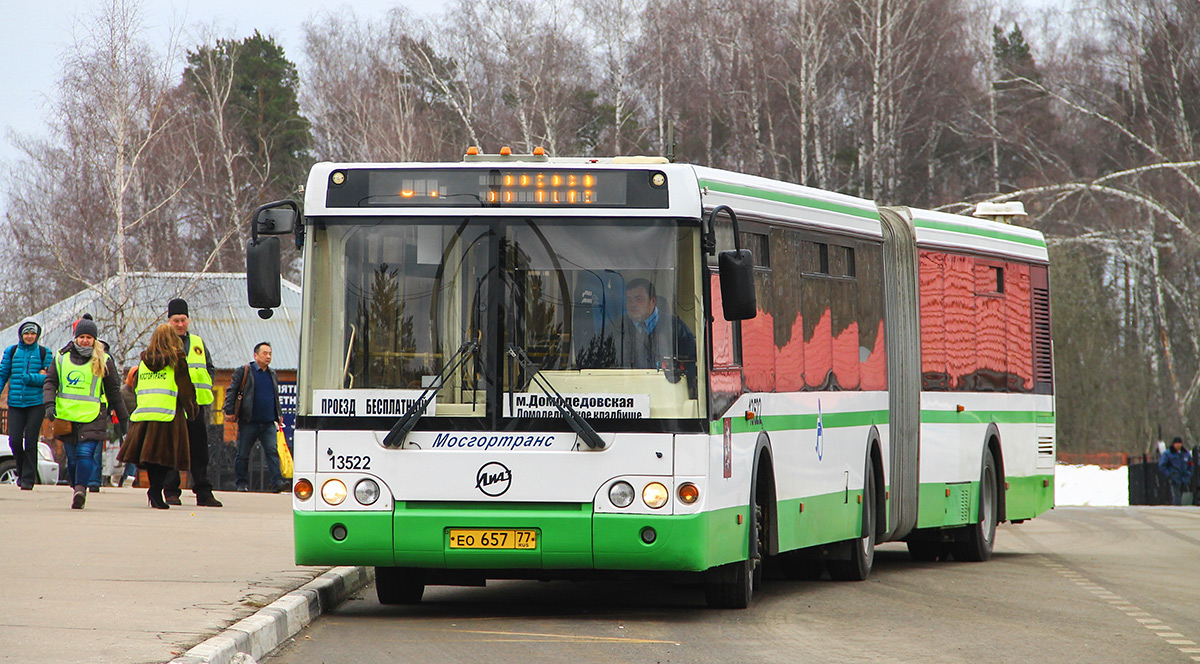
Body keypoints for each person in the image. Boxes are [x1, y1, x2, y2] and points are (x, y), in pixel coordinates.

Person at [43, 315, 129, 509]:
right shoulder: (61, 357)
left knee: (85, 454)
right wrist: (49, 404)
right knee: (72, 459)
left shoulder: (104, 360)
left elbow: (114, 392)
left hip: (93, 416)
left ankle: (81, 490)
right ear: (76, 337)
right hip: (67, 416)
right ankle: (77, 486)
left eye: (89, 337)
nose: (85, 340)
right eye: (82, 337)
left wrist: (123, 419)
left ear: (94, 339)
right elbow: (50, 383)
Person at [117, 324, 197, 509]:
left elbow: (135, 387)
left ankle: (154, 491)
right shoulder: (177, 360)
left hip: (145, 416)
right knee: (166, 458)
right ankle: (155, 491)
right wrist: (192, 410)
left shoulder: (144, 362)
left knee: (152, 458)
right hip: (168, 415)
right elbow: (185, 388)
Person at [162, 298, 222, 507]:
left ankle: (204, 493)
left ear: (188, 320)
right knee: (172, 449)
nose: (180, 324)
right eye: (176, 320)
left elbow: (210, 368)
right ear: (168, 321)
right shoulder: (162, 344)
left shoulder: (197, 343)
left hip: (196, 406)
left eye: (183, 320)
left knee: (199, 451)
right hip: (172, 406)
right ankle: (171, 491)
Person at [224, 341, 287, 492]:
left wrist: (278, 415)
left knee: (272, 451)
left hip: (268, 422)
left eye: (270, 353)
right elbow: (232, 391)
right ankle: (242, 483)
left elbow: (275, 397)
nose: (268, 356)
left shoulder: (272, 374)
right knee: (243, 453)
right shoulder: (245, 371)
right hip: (249, 421)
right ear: (256, 355)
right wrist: (229, 410)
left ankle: (277, 482)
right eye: (265, 353)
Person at [619, 278, 698, 396]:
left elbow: (693, 366)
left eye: (638, 299)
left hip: (668, 397)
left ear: (652, 301)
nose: (633, 304)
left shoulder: (676, 328)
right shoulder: (616, 328)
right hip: (627, 397)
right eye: (629, 300)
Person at [0, 318, 53, 490]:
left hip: (36, 404)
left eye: (32, 333)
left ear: (37, 335)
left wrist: (32, 378)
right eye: (26, 333)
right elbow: (3, 374)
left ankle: (28, 480)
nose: (29, 336)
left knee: (31, 442)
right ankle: (21, 471)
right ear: (21, 335)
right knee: (14, 441)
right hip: (15, 403)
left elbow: (50, 378)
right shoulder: (11, 351)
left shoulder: (45, 353)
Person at [1158, 436, 1193, 506]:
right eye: (1176, 443)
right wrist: (1169, 474)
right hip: (1174, 477)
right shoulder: (1168, 454)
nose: (1178, 445)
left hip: (1184, 478)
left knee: (1182, 494)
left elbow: (1191, 464)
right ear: (1173, 444)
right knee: (1176, 495)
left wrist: (1188, 474)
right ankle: (1177, 508)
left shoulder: (1185, 453)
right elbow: (1162, 466)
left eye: (1179, 443)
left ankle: (1180, 507)